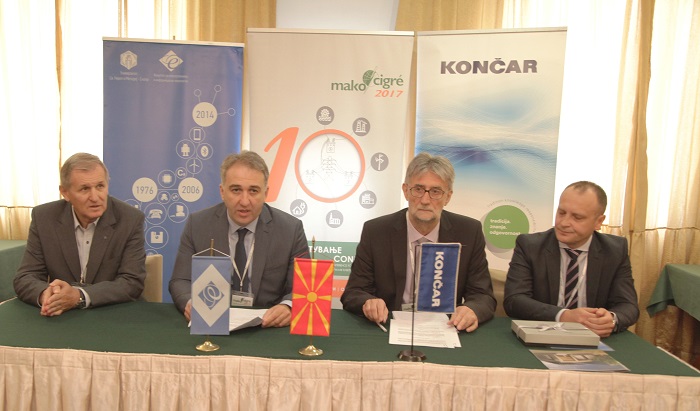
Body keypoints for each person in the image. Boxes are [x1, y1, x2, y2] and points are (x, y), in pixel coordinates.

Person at [341, 153, 496, 332]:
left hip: (446, 328)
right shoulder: (376, 231)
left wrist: (472, 309)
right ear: (406, 190)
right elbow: (354, 292)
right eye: (418, 189)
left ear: (448, 196)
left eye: (436, 192)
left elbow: (483, 295)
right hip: (389, 327)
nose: (425, 200)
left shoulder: (469, 232)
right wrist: (368, 302)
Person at [169, 150, 309, 327]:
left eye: (253, 191)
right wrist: (190, 302)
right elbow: (180, 280)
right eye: (236, 190)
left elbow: (304, 286)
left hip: (266, 326)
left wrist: (288, 306)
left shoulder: (290, 229)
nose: (244, 201)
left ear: (265, 193)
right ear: (222, 192)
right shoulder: (198, 224)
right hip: (212, 321)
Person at [14, 153, 146, 316]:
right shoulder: (44, 218)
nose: (95, 197)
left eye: (100, 186)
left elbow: (132, 282)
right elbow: (26, 276)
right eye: (85, 189)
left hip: (114, 313)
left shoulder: (129, 219)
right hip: (62, 316)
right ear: (65, 192)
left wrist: (79, 296)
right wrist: (46, 294)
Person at [503, 181, 639, 337]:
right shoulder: (530, 246)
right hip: (542, 333)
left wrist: (611, 319)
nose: (564, 223)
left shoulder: (615, 250)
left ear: (598, 222)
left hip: (593, 337)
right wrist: (564, 316)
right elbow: (514, 300)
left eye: (577, 217)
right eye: (561, 213)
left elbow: (628, 305)